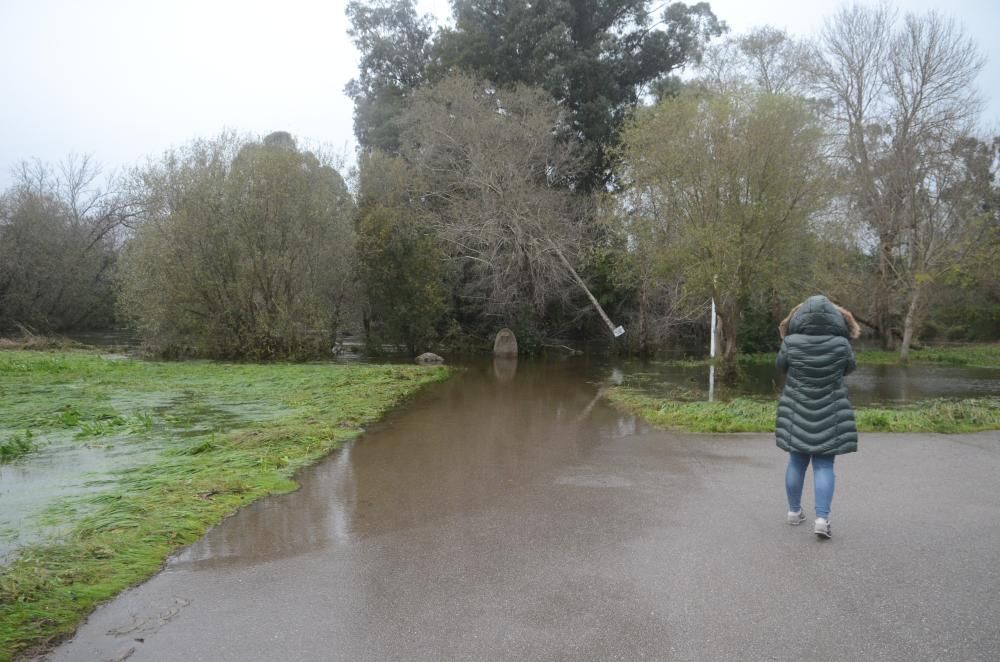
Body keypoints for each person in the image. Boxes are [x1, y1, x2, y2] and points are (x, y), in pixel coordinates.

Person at [775, 295, 861, 539]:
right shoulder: (842, 344)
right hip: (831, 411)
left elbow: (781, 367)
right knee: (824, 465)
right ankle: (822, 520)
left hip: (796, 411)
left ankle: (794, 513)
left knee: (796, 462)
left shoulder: (790, 342)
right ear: (835, 318)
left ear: (800, 317)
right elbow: (849, 368)